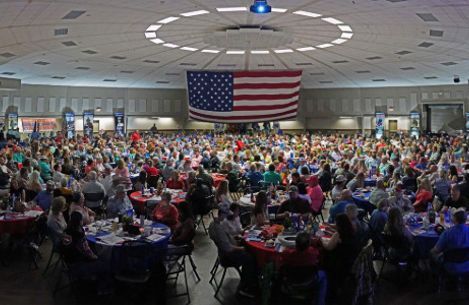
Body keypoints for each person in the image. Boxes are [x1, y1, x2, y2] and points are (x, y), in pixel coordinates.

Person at [62, 211, 112, 295]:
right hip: (77, 265)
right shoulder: (79, 235)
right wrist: (97, 257)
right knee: (106, 264)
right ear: (79, 221)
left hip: (68, 261)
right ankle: (102, 289)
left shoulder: (67, 231)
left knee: (98, 255)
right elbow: (87, 252)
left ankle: (96, 280)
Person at [208, 219, 258, 298]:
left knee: (250, 253)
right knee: (251, 258)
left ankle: (251, 281)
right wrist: (241, 248)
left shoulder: (217, 224)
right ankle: (244, 287)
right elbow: (228, 247)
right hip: (227, 257)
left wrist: (237, 238)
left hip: (225, 253)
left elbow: (228, 239)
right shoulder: (218, 228)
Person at [279, 232, 327, 305]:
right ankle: (320, 302)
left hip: (291, 281)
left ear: (296, 243)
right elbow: (318, 253)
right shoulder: (313, 253)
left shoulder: (288, 253)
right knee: (323, 275)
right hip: (308, 281)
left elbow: (282, 261)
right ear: (308, 244)